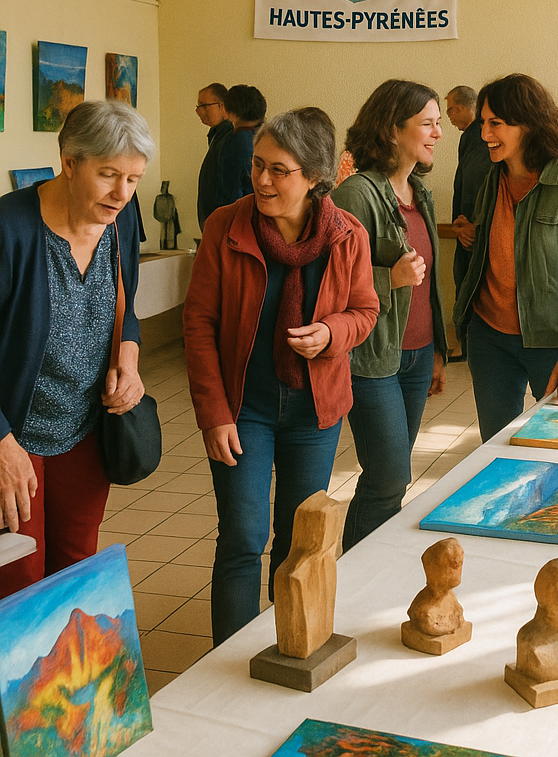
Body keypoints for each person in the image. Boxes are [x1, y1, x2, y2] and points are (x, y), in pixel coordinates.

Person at [183, 107, 378, 645]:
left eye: (279, 170)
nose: (263, 180)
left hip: (314, 413)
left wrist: (331, 334)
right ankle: (226, 666)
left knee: (297, 541)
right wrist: (214, 414)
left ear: (314, 178)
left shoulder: (347, 235)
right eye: (258, 166)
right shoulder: (226, 226)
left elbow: (365, 311)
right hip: (244, 409)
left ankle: (288, 645)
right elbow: (198, 325)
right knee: (243, 539)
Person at [0, 100, 154, 598]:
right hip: (13, 433)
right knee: (18, 578)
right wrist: (1, 443)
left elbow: (125, 305)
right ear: (69, 163)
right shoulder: (10, 230)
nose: (121, 194)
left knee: (75, 568)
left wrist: (127, 358)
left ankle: (69, 678)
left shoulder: (121, 220)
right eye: (109, 175)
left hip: (84, 428)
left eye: (133, 179)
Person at [453, 74, 558, 442]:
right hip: (489, 339)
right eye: (482, 123)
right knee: (495, 448)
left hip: (553, 343)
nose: (484, 134)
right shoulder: (493, 178)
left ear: (527, 125)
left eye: (496, 124)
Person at [332, 81, 449, 551]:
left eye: (439, 122)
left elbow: (430, 282)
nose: (438, 132)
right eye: (428, 123)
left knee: (392, 478)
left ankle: (368, 567)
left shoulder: (420, 192)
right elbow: (331, 284)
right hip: (373, 359)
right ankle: (355, 575)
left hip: (417, 356)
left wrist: (440, 349)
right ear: (393, 130)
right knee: (388, 477)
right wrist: (389, 280)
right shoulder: (357, 194)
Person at [445, 85, 489, 352]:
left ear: (461, 108)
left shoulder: (482, 139)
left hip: (475, 230)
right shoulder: (469, 138)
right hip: (466, 226)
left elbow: (478, 186)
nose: (448, 117)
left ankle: (473, 347)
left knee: (471, 288)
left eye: (449, 110)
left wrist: (472, 226)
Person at [212, 84, 267, 214]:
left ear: (229, 112)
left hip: (241, 215)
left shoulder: (238, 141)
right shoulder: (266, 137)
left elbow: (231, 189)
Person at [195, 82, 232, 229]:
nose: (198, 111)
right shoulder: (217, 136)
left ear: (221, 106)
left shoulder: (231, 137)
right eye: (198, 106)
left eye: (203, 105)